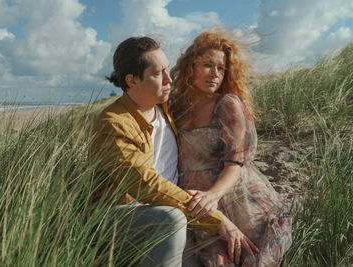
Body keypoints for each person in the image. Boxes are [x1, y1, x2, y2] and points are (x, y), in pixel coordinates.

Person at [91, 36, 258, 266]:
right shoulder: (114, 123)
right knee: (170, 219)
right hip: (124, 214)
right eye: (159, 74)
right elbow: (144, 185)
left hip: (174, 205)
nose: (169, 79)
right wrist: (217, 219)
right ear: (132, 81)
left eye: (168, 70)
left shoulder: (166, 106)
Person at [169, 27, 292, 266]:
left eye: (221, 68)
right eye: (207, 65)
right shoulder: (176, 107)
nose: (215, 74)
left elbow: (235, 164)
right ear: (190, 66)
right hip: (190, 198)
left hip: (228, 196)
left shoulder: (228, 105)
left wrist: (212, 196)